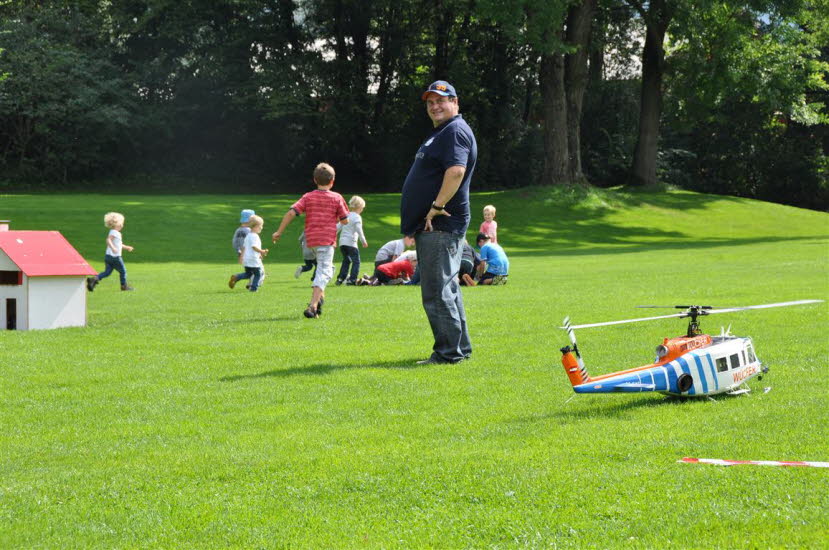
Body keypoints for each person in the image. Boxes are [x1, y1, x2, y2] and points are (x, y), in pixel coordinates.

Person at [400, 80, 477, 364]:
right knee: (448, 290)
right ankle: (460, 349)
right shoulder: (444, 132)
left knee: (436, 292)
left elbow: (456, 171)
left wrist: (436, 207)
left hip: (440, 225)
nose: (435, 106)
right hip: (437, 226)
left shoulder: (454, 131)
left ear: (455, 102)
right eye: (430, 102)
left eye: (441, 100)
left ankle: (447, 354)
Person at [273, 162, 349, 318]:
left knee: (324, 269)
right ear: (332, 181)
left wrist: (278, 232)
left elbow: (291, 213)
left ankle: (319, 305)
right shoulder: (336, 198)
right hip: (325, 241)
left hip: (309, 242)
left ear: (315, 180)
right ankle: (312, 305)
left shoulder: (308, 197)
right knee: (325, 271)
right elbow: (345, 220)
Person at [87, 212, 135, 292]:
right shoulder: (114, 232)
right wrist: (113, 248)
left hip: (108, 257)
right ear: (117, 224)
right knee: (123, 271)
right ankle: (124, 286)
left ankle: (93, 279)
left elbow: (119, 245)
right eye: (121, 224)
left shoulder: (115, 232)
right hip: (115, 257)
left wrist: (127, 247)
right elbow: (108, 240)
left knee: (107, 272)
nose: (122, 225)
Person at [228, 215, 269, 292]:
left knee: (248, 274)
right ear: (256, 226)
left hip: (247, 259)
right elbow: (254, 247)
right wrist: (261, 251)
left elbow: (246, 247)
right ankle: (253, 288)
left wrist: (259, 254)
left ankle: (237, 277)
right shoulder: (254, 236)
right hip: (253, 259)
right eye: (261, 226)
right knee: (258, 274)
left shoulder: (248, 235)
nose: (262, 228)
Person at [336, 195, 368, 285]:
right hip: (351, 243)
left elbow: (338, 227)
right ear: (360, 207)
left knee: (346, 260)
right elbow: (359, 230)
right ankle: (352, 279)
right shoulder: (357, 217)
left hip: (342, 243)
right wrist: (363, 241)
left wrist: (332, 236)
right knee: (356, 261)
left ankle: (340, 279)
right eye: (362, 208)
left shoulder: (346, 215)